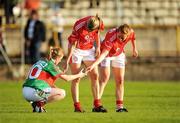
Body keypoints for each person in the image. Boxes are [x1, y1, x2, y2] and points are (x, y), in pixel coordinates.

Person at [86, 24, 138, 112]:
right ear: (118, 32)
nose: (121, 39)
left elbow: (133, 38)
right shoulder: (111, 37)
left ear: (127, 34)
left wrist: (134, 48)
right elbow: (103, 55)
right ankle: (97, 105)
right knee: (104, 79)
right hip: (107, 54)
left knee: (120, 80)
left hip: (119, 54)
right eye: (120, 36)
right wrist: (93, 65)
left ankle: (119, 107)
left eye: (123, 37)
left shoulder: (130, 32)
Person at [22, 47, 87, 113]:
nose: (60, 61)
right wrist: (80, 75)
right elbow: (67, 78)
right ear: (58, 58)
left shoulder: (41, 61)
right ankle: (38, 105)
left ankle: (37, 105)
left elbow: (44, 81)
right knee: (62, 93)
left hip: (25, 91)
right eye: (61, 59)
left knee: (57, 91)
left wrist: (56, 88)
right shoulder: (51, 65)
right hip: (34, 92)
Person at [65, 14, 107, 112]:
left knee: (95, 75)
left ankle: (97, 105)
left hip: (89, 49)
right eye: (87, 30)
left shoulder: (99, 22)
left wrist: (97, 47)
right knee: (76, 78)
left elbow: (97, 33)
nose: (88, 32)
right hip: (77, 50)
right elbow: (73, 44)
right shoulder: (78, 25)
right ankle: (77, 106)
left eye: (90, 31)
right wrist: (68, 60)